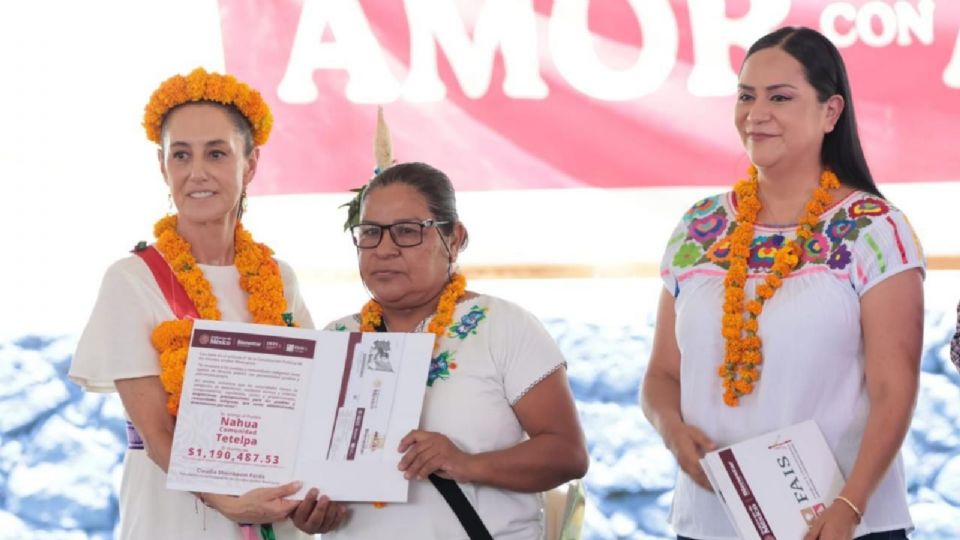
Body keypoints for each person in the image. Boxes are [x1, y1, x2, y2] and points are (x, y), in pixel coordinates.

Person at [641, 27, 924, 540]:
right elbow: (662, 375)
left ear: (831, 112)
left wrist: (849, 506)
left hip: (839, 524)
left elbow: (894, 389)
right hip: (711, 522)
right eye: (746, 95)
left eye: (780, 97)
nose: (757, 113)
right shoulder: (698, 228)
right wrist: (672, 431)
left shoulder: (874, 229)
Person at [70, 68, 346, 539]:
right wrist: (231, 504)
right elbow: (157, 434)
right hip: (177, 518)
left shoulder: (278, 279)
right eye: (181, 155)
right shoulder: (132, 280)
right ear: (163, 167)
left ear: (250, 164)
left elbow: (312, 408)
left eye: (216, 153)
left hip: (275, 509)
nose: (197, 172)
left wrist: (318, 499)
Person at [296, 161, 589, 539]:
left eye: (406, 231)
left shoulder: (501, 325)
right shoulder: (336, 339)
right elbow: (312, 477)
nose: (384, 249)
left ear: (454, 238)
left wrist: (466, 464)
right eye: (370, 232)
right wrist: (315, 513)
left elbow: (567, 454)